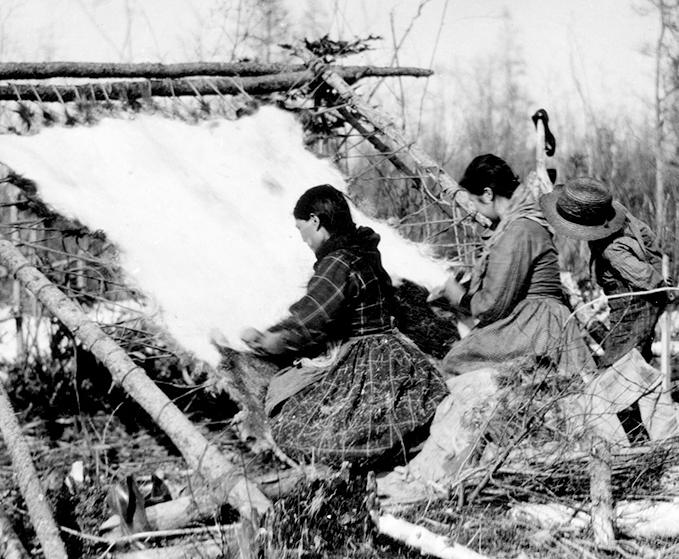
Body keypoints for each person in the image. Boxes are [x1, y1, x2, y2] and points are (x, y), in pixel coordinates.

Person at [241, 184, 447, 468]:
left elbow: (310, 319)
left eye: (301, 228)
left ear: (315, 221)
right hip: (395, 352)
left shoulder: (337, 262)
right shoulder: (362, 249)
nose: (303, 239)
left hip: (366, 356)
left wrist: (270, 339)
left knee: (297, 427)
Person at [439, 154, 591, 377]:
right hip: (537, 319)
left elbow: (494, 304)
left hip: (538, 325)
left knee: (456, 362)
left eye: (474, 202)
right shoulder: (519, 224)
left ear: (488, 194)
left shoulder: (518, 230)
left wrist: (459, 297)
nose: (474, 209)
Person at [540, 177, 673, 369]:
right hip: (630, 303)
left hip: (636, 305)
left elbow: (644, 275)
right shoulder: (614, 221)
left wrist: (662, 286)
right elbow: (649, 240)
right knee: (636, 360)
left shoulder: (612, 249)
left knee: (618, 366)